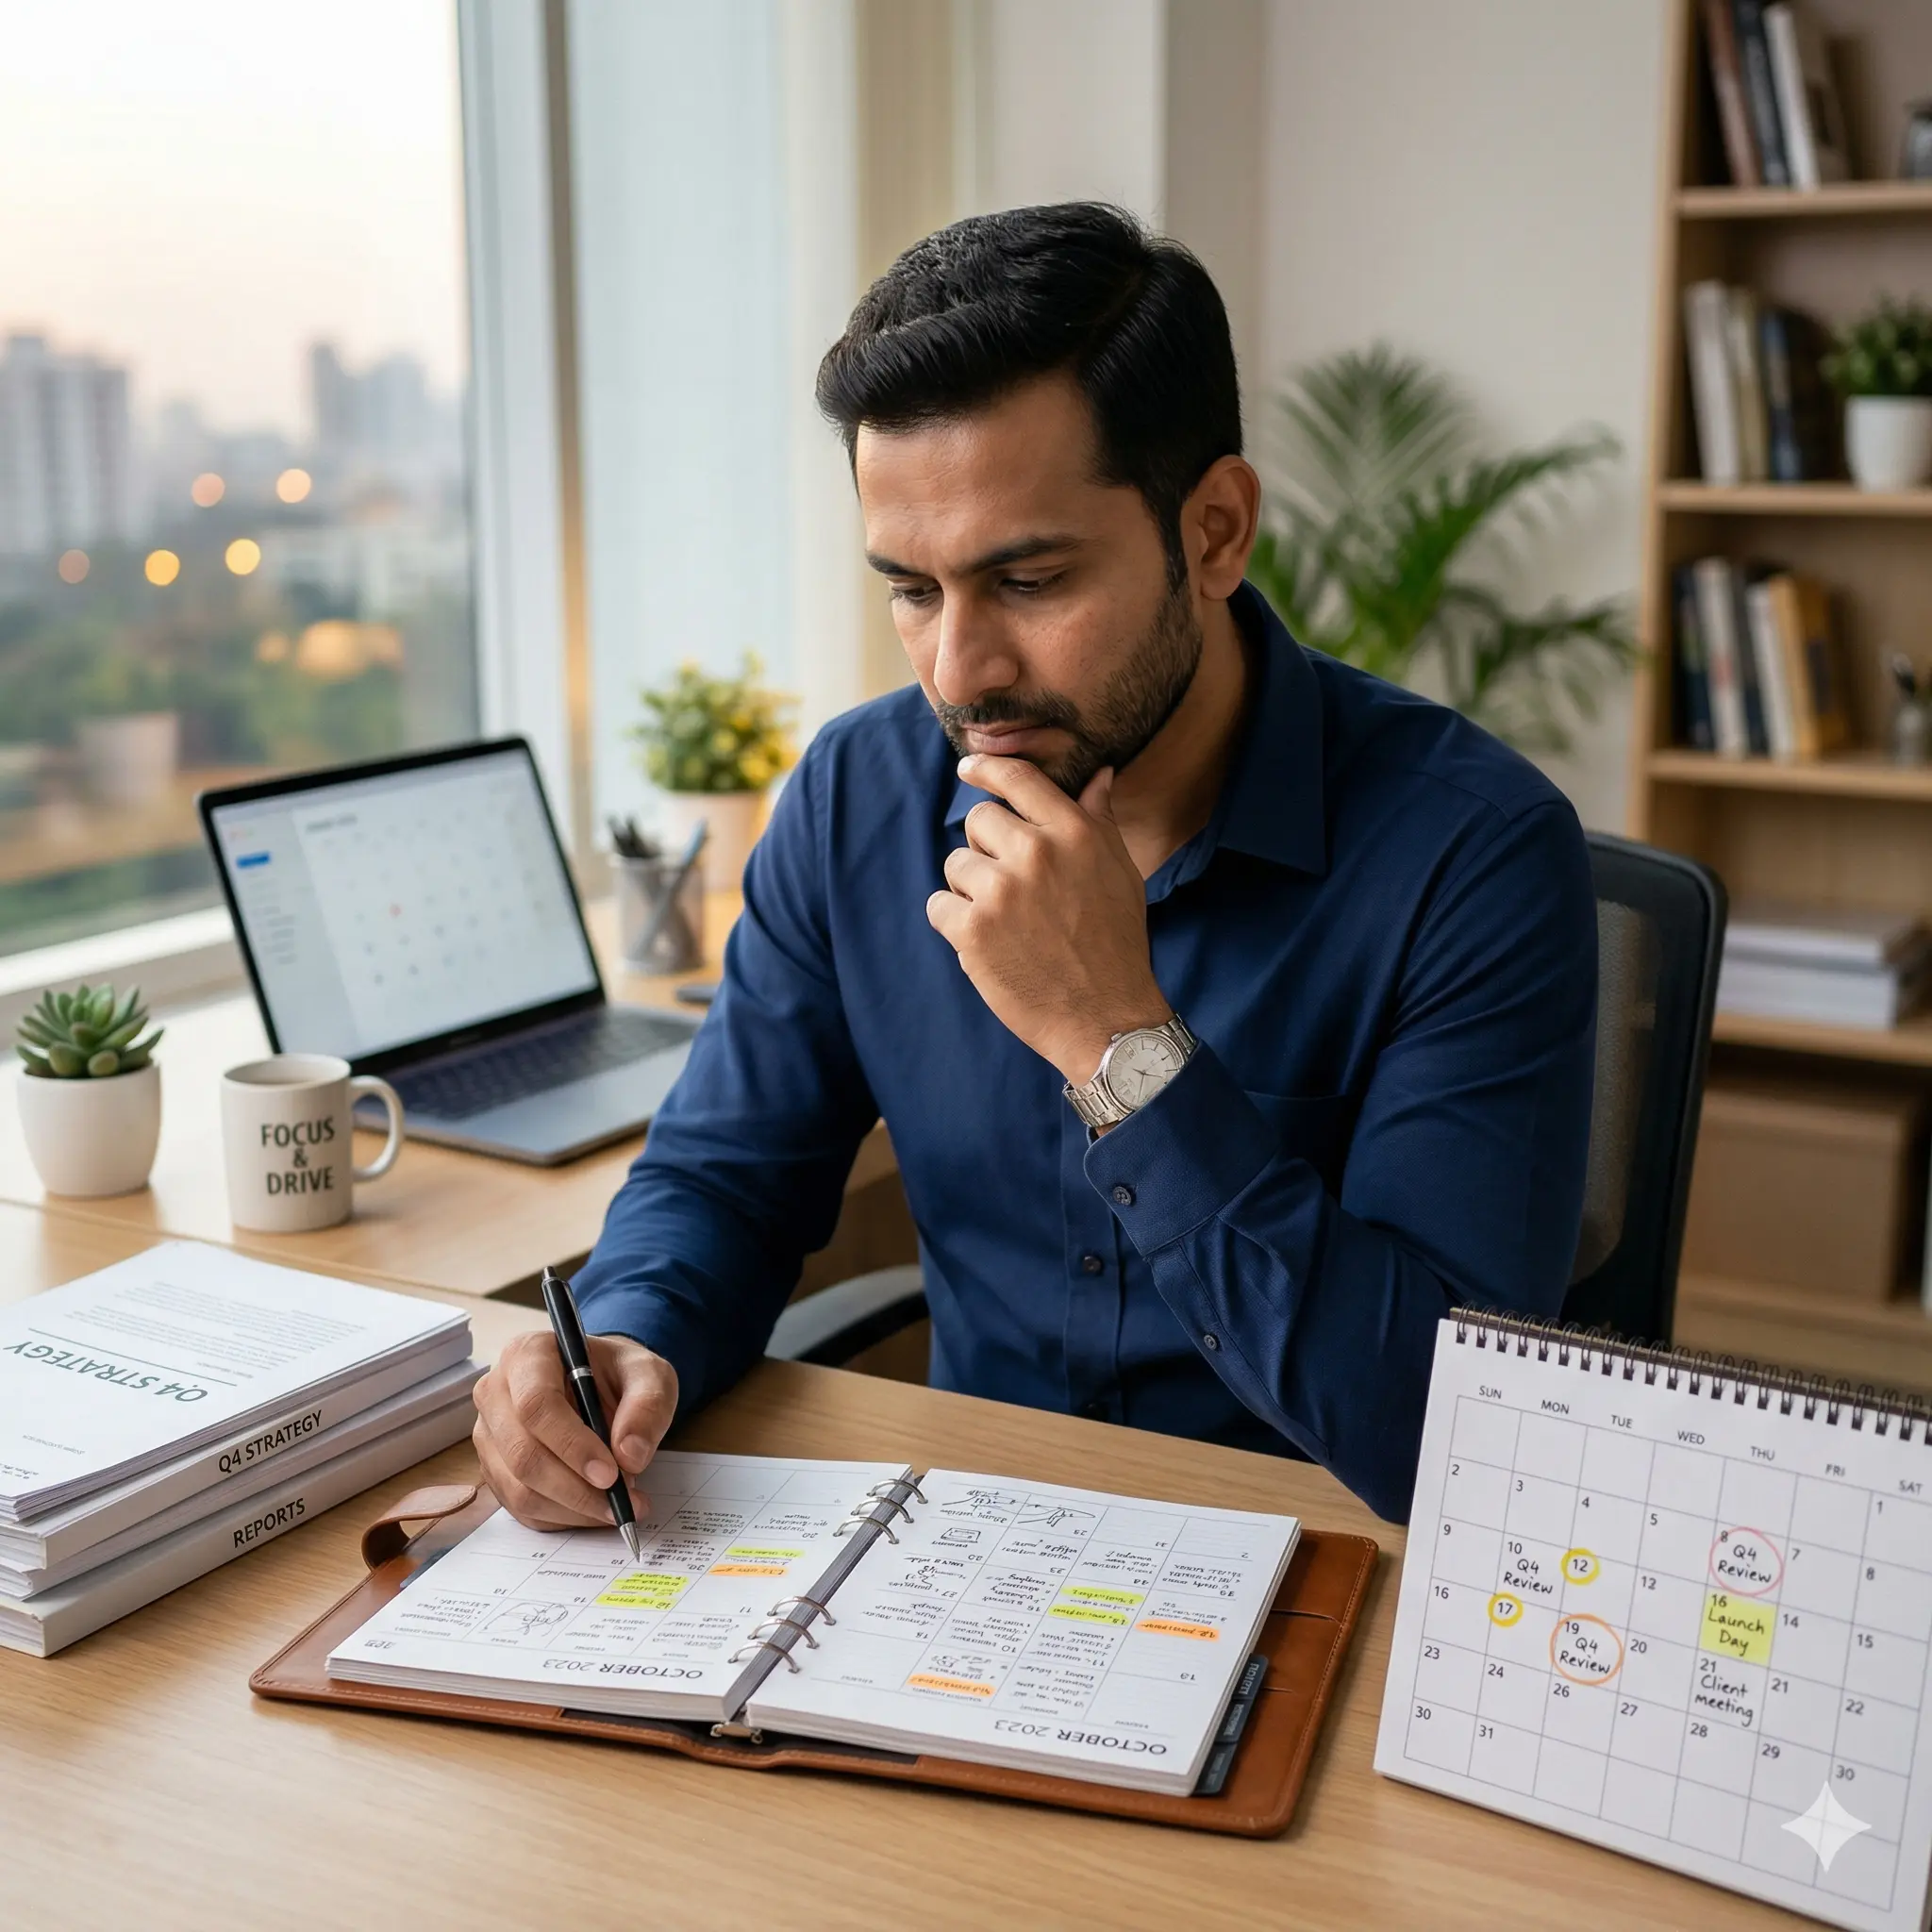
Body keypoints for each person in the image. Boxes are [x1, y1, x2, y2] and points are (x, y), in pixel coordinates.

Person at [472, 202, 1597, 1526]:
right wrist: (629, 1337)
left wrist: (1118, 1041)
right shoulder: (856, 800)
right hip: (962, 1561)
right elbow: (723, 1175)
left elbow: (1448, 1440)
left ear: (1216, 531)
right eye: (911, 589)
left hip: (1324, 1568)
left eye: (1029, 580)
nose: (959, 672)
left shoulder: (1475, 854)